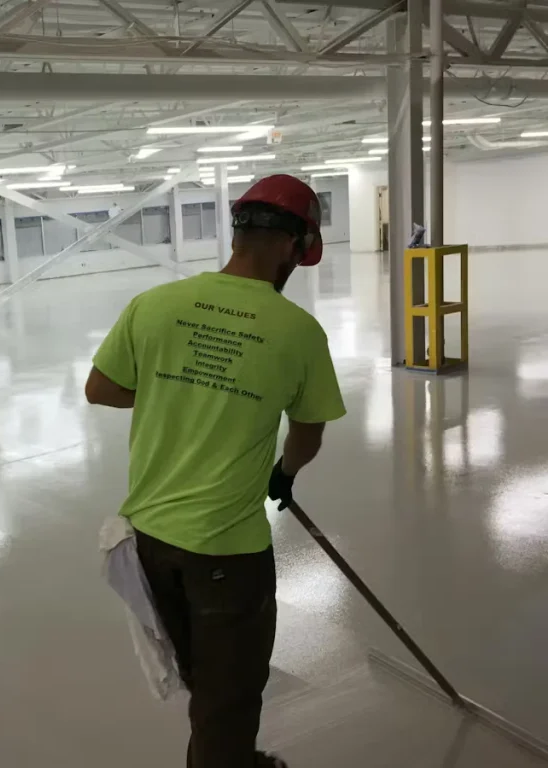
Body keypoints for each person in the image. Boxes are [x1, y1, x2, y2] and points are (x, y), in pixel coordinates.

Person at [86, 174, 345, 768]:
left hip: (147, 540)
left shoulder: (154, 305)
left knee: (205, 678)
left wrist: (172, 389)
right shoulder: (298, 332)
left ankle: (223, 755)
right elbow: (308, 435)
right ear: (292, 245)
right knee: (229, 697)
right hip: (227, 553)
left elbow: (101, 389)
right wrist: (285, 471)